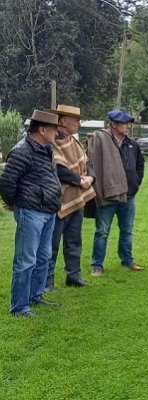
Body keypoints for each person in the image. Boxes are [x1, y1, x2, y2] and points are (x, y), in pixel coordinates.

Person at [0, 110, 63, 316]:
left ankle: (36, 296)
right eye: (54, 129)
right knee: (26, 260)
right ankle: (19, 306)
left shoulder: (46, 149)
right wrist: (15, 203)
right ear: (42, 130)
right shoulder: (22, 151)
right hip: (31, 212)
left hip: (47, 211)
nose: (57, 133)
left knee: (43, 256)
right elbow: (7, 182)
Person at [87, 109, 145, 276]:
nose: (128, 126)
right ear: (113, 124)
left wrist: (135, 183)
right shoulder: (100, 140)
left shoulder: (132, 144)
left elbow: (140, 165)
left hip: (128, 195)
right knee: (102, 231)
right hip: (107, 195)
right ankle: (97, 265)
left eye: (129, 123)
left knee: (127, 230)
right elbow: (90, 163)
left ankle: (127, 260)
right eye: (125, 123)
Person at [46, 105, 96, 290]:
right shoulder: (51, 141)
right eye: (75, 120)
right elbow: (57, 168)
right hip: (58, 201)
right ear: (62, 122)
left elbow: (87, 161)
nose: (78, 123)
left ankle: (73, 276)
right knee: (52, 243)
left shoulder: (73, 141)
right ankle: (47, 280)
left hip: (76, 199)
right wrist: (79, 180)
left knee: (74, 239)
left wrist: (91, 177)